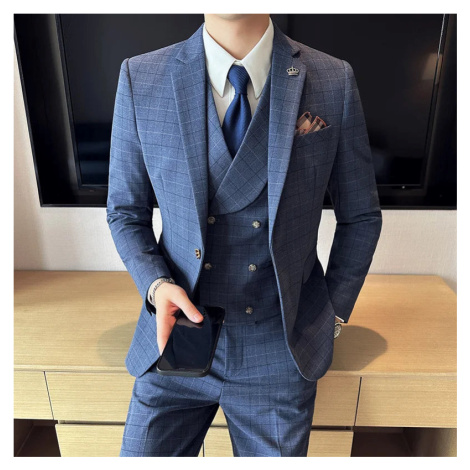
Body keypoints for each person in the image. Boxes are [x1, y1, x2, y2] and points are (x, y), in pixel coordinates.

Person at [106, 13, 382, 457]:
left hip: (279, 346)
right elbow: (125, 212)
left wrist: (331, 316)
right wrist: (156, 286)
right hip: (176, 336)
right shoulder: (142, 77)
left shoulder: (333, 79)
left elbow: (361, 216)